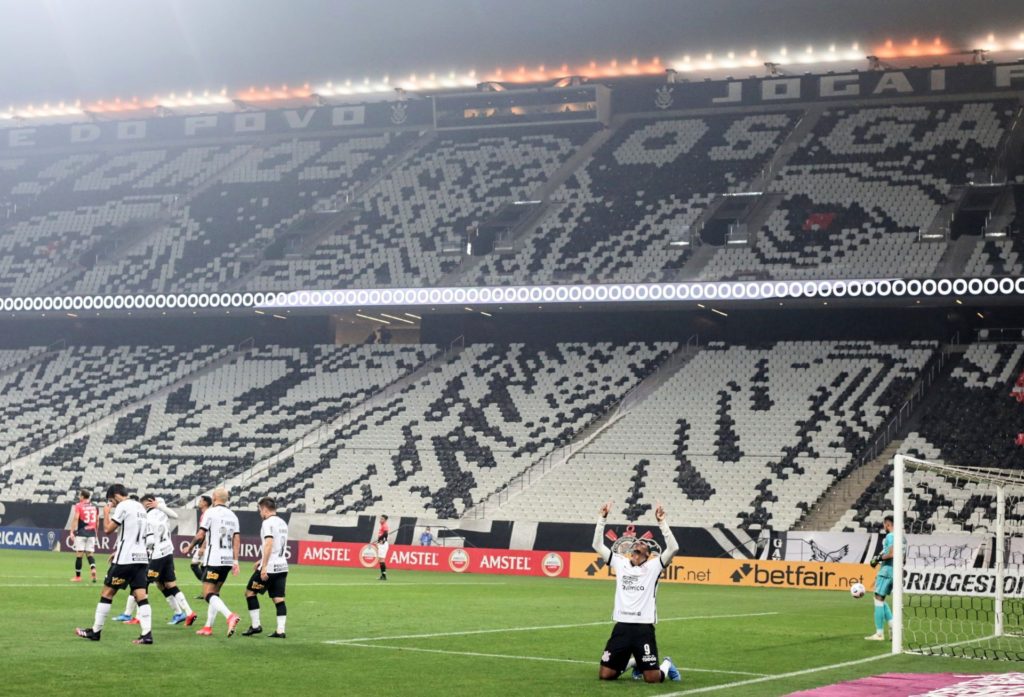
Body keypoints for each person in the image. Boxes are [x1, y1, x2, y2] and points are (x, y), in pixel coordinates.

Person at [592, 502, 681, 683]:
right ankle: (634, 663)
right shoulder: (620, 563)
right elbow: (597, 545)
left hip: (643, 628)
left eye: (640, 550)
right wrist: (602, 519)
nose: (636, 551)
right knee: (605, 675)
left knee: (652, 678)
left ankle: (667, 663)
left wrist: (662, 523)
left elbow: (673, 548)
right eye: (634, 549)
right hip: (622, 626)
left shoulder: (654, 566)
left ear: (647, 555)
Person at [75, 484, 154, 645]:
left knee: (107, 593)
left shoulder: (123, 506)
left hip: (125, 559)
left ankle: (95, 631)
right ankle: (147, 634)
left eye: (112, 500)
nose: (113, 504)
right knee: (141, 595)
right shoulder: (139, 506)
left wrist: (106, 513)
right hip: (141, 558)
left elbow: (108, 530)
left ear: (117, 495)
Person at [114, 495, 197, 627]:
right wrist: (159, 506)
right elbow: (175, 515)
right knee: (167, 584)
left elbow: (147, 540)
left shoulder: (147, 518)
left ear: (147, 504)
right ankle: (186, 612)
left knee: (141, 584)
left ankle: (138, 617)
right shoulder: (162, 514)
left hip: (156, 555)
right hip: (168, 552)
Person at [190, 487, 241, 637]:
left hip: (214, 559)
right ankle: (208, 627)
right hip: (227, 560)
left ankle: (230, 616)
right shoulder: (233, 516)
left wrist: (190, 546)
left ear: (214, 497)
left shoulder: (210, 512)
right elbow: (236, 539)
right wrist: (235, 560)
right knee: (215, 593)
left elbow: (201, 534)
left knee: (207, 593)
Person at [242, 497, 289, 639]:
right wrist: (261, 560)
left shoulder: (267, 523)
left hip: (270, 568)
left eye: (259, 510)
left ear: (264, 509)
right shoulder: (282, 523)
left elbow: (269, 543)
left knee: (249, 593)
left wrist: (264, 566)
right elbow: (277, 546)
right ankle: (280, 631)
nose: (259, 513)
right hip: (282, 566)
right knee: (278, 598)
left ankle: (256, 626)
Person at [866, 514, 901, 641]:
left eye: (884, 524)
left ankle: (879, 633)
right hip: (896, 571)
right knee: (880, 599)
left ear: (887, 523)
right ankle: (893, 627)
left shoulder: (891, 536)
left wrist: (878, 558)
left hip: (887, 570)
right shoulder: (903, 538)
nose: (884, 526)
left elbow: (891, 554)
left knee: (878, 599)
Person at [69, 490, 99, 583]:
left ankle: (78, 577)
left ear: (82, 496)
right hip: (92, 533)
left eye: (79, 495)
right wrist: (96, 533)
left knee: (79, 554)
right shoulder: (95, 506)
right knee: (90, 554)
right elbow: (97, 520)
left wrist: (71, 531)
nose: (79, 497)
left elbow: (76, 518)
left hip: (82, 532)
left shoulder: (79, 505)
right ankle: (93, 569)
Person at [190, 495, 212, 584]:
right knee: (203, 566)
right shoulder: (204, 514)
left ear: (205, 503)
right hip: (203, 544)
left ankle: (206, 587)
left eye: (200, 501)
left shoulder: (207, 514)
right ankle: (205, 589)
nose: (199, 502)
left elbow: (207, 533)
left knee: (195, 564)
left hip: (205, 544)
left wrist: (203, 547)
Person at [375, 514, 390, 580]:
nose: (380, 520)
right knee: (380, 560)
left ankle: (384, 576)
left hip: (383, 544)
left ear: (385, 520)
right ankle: (383, 575)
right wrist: (379, 540)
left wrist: (382, 541)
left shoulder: (385, 525)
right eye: (380, 518)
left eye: (382, 519)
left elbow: (386, 534)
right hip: (381, 544)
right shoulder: (382, 525)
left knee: (381, 560)